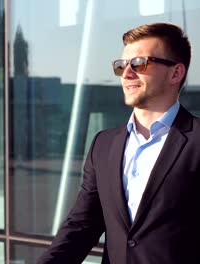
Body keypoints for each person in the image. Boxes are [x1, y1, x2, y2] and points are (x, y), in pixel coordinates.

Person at [37, 22, 198, 263]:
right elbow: (82, 226)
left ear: (176, 73)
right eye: (121, 65)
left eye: (139, 64)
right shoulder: (104, 144)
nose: (126, 74)